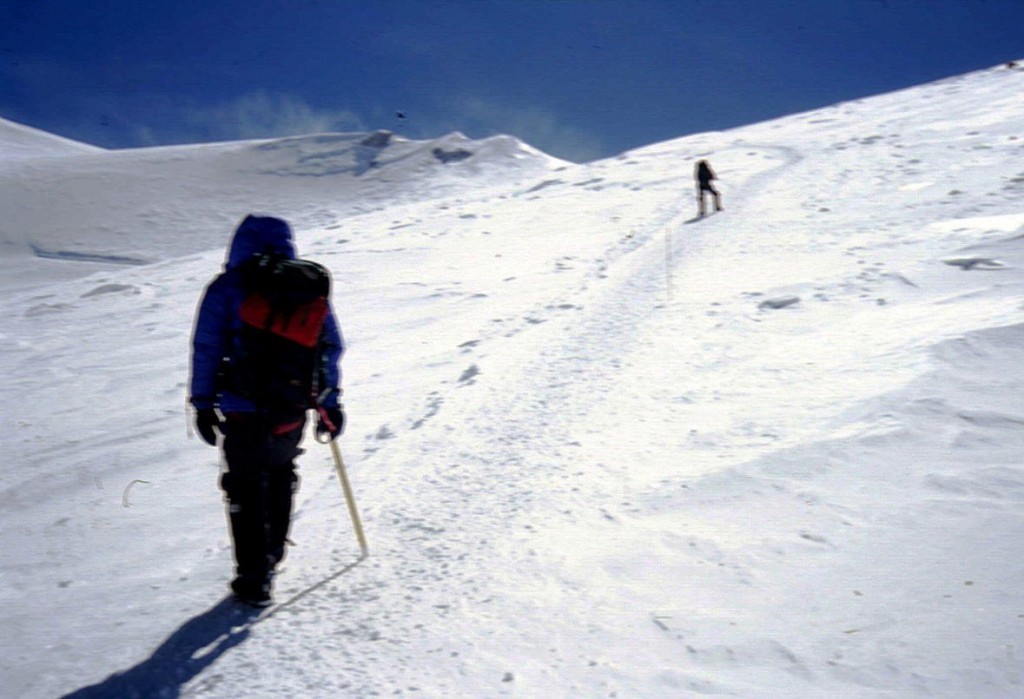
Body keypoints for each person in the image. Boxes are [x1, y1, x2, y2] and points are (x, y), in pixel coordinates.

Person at [189, 214, 346, 607]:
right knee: (280, 472)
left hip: (243, 407)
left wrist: (203, 404)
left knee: (244, 483)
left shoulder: (227, 287)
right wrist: (329, 402)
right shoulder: (307, 286)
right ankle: (272, 554)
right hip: (291, 407)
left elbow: (207, 349)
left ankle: (253, 575)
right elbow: (328, 347)